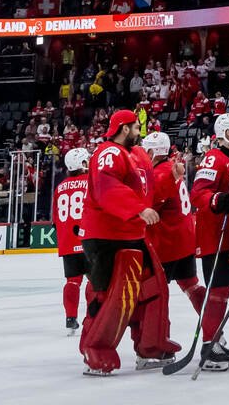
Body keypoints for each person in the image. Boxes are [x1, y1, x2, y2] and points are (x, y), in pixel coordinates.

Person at [78, 109, 172, 375]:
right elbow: (107, 188)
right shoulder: (109, 153)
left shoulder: (137, 155)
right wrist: (137, 210)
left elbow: (147, 191)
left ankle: (150, 346)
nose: (138, 131)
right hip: (106, 236)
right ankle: (95, 348)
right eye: (134, 127)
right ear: (123, 128)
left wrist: (172, 178)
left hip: (133, 234)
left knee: (152, 289)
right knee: (107, 295)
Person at [189, 113, 229, 372]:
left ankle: (215, 339)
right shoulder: (214, 157)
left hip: (228, 236)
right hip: (214, 235)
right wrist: (219, 200)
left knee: (223, 291)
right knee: (217, 292)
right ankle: (210, 344)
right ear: (225, 133)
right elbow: (198, 194)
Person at [142, 130, 204, 315]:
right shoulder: (170, 169)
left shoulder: (159, 174)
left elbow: (148, 210)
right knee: (190, 284)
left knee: (153, 292)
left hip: (166, 244)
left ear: (152, 153)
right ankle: (213, 328)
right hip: (184, 240)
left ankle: (156, 337)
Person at [54, 145, 91, 335]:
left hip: (68, 241)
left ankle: (70, 317)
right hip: (89, 238)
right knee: (95, 281)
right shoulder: (91, 181)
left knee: (72, 281)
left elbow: (55, 219)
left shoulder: (60, 187)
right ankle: (93, 316)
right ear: (82, 163)